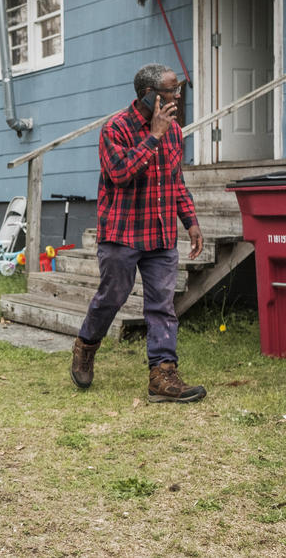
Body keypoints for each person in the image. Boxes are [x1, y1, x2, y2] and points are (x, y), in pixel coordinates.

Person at [70, 63, 206, 403]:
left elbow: (175, 182)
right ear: (149, 95)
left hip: (160, 234)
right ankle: (87, 344)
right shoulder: (115, 129)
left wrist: (190, 221)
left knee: (162, 305)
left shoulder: (174, 131)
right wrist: (153, 136)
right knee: (112, 297)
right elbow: (120, 174)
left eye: (178, 89)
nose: (178, 96)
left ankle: (162, 375)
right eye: (171, 91)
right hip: (122, 232)